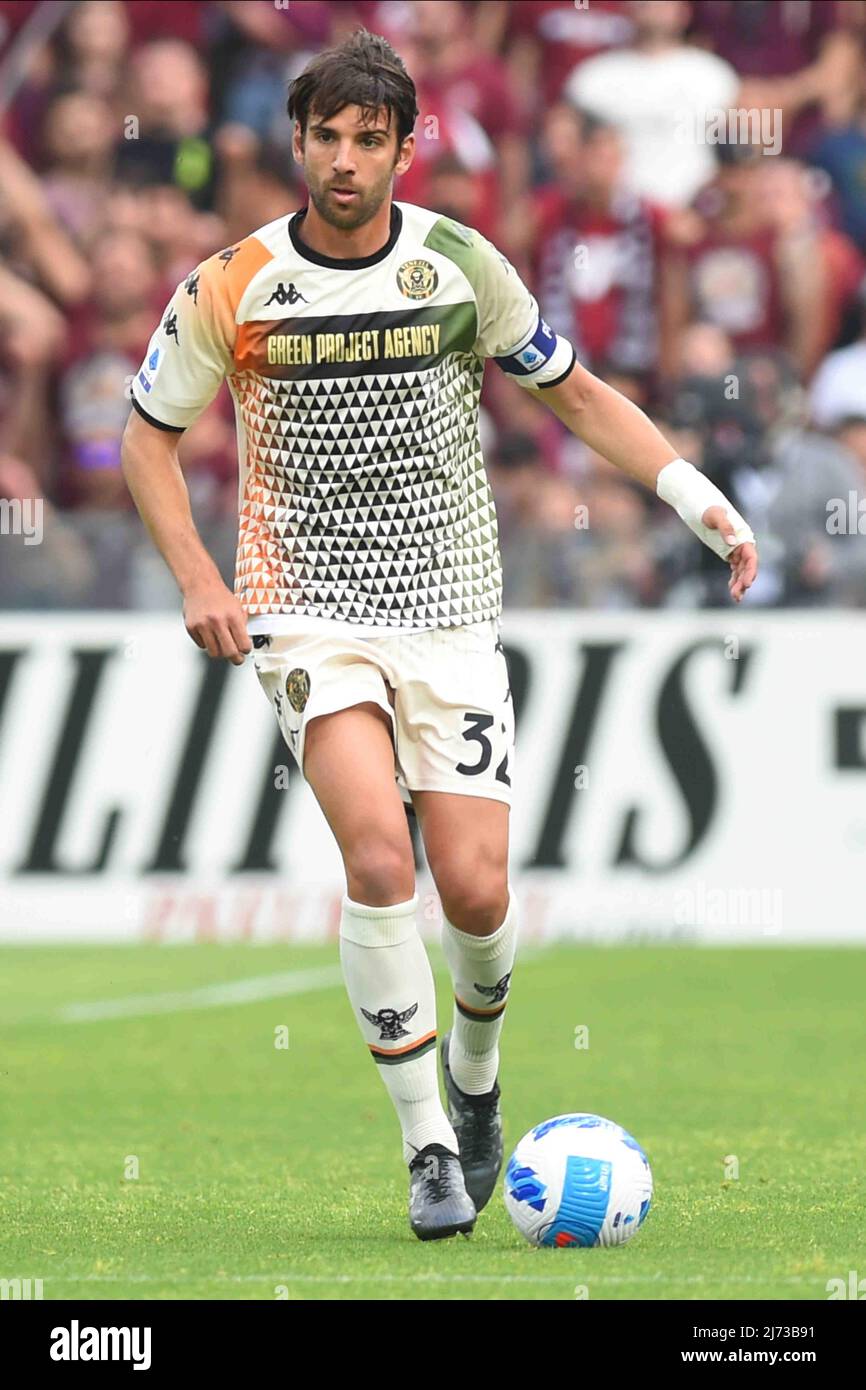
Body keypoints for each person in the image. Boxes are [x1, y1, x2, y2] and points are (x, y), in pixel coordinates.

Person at [120, 28, 757, 1242]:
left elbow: (571, 390)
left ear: (407, 153)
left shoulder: (461, 264)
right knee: (376, 859)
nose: (346, 159)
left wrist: (694, 499)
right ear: (298, 143)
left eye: (371, 139)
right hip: (302, 604)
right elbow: (146, 435)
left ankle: (475, 1075)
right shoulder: (231, 282)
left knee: (473, 892)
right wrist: (199, 574)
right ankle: (424, 1146)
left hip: (452, 610)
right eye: (327, 137)